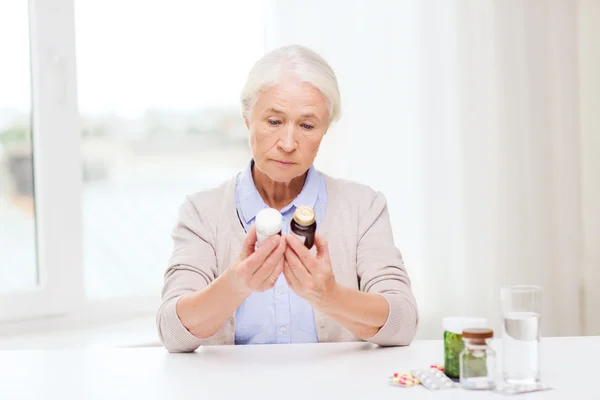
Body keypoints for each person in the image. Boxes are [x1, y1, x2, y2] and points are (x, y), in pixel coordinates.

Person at [157, 45, 418, 352]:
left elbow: (403, 323)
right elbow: (172, 332)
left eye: (307, 125)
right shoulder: (201, 212)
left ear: (325, 130)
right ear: (247, 119)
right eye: (274, 121)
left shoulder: (364, 207)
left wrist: (330, 295)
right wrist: (236, 285)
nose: (288, 143)